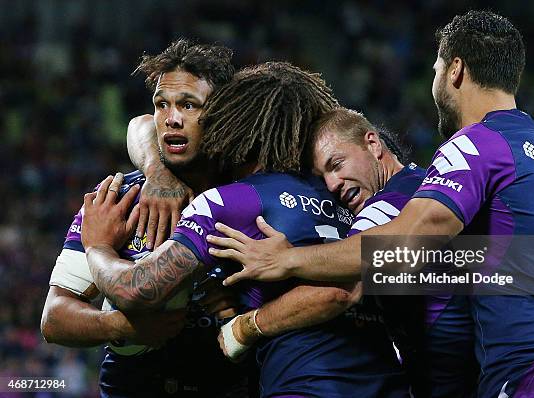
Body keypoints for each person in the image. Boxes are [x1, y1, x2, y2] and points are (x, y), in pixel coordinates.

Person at [210, 11, 534, 398]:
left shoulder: (474, 144)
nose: (433, 80)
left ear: (454, 70)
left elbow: (409, 239)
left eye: (435, 69)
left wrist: (286, 262)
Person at [81, 62, 411, 398]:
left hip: (303, 386)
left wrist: (98, 247)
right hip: (391, 382)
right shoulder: (347, 194)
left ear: (234, 124)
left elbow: (136, 289)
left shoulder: (228, 201)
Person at [207, 107, 478, 397]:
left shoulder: (390, 206)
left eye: (336, 164)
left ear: (373, 144)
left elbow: (344, 287)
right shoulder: (423, 185)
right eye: (322, 176)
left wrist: (245, 326)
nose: (332, 184)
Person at [41, 39, 249, 397]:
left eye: (188, 105)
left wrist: (244, 304)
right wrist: (119, 324)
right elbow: (54, 318)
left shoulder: (251, 196)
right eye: (161, 104)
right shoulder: (119, 197)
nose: (171, 118)